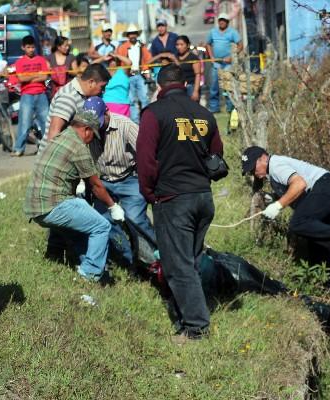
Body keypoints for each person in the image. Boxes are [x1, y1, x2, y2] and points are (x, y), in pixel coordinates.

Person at [137, 64, 224, 340]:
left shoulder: (153, 114)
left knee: (178, 266)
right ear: (185, 84)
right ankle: (187, 316)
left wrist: (149, 193)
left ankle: (196, 328)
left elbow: (145, 161)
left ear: (159, 88)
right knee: (192, 261)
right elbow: (217, 156)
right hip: (203, 198)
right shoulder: (205, 114)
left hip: (173, 199)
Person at [24, 108, 126, 283]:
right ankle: (90, 275)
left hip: (35, 206)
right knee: (101, 227)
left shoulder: (60, 138)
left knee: (81, 232)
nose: (92, 139)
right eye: (93, 135)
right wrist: (113, 206)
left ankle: (85, 265)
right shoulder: (79, 147)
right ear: (86, 130)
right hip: (54, 204)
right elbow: (95, 185)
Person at [241, 146, 330, 265]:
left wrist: (278, 205)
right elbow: (291, 189)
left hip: (325, 188)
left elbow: (299, 184)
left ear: (263, 158)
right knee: (319, 246)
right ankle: (329, 280)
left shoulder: (275, 165)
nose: (253, 173)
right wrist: (274, 198)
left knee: (298, 222)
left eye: (253, 168)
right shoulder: (273, 172)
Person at [86, 97, 155, 267]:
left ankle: (155, 253)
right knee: (103, 222)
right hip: (103, 181)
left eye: (100, 122)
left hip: (129, 178)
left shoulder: (125, 125)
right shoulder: (86, 128)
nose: (97, 128)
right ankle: (128, 258)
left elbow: (145, 151)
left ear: (107, 112)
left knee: (135, 219)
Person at [13, 35, 50, 156]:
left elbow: (45, 76)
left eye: (33, 47)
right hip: (27, 95)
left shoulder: (41, 60)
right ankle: (19, 148)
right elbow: (21, 78)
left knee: (46, 122)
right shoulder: (19, 62)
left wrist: (29, 77)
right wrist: (36, 75)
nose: (31, 50)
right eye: (28, 47)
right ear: (23, 47)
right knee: (24, 123)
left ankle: (48, 148)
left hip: (41, 94)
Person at [206, 13, 242, 113]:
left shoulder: (232, 32)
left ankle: (230, 108)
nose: (222, 22)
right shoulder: (213, 32)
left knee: (228, 86)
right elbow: (208, 44)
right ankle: (214, 108)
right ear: (218, 21)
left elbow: (240, 45)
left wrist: (232, 57)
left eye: (224, 20)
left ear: (227, 22)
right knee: (214, 86)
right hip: (216, 64)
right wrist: (211, 57)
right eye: (220, 20)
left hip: (228, 64)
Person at [116, 24, 151, 124]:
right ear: (127, 36)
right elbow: (119, 61)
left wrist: (146, 72)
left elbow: (147, 60)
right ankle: (136, 122)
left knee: (144, 98)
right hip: (128, 76)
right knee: (131, 101)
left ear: (137, 35)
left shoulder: (142, 46)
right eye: (130, 34)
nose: (132, 36)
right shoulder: (122, 47)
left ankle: (146, 121)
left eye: (134, 33)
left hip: (140, 75)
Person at [93, 52, 132, 117]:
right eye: (110, 59)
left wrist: (116, 55)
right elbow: (91, 66)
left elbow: (129, 62)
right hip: (107, 104)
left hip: (122, 105)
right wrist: (103, 58)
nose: (112, 60)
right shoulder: (104, 72)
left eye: (114, 59)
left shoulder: (123, 71)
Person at [176, 35, 201, 102]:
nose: (179, 47)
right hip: (179, 87)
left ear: (187, 45)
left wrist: (195, 91)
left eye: (181, 44)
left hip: (191, 86)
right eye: (177, 45)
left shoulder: (193, 58)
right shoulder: (175, 58)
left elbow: (198, 75)